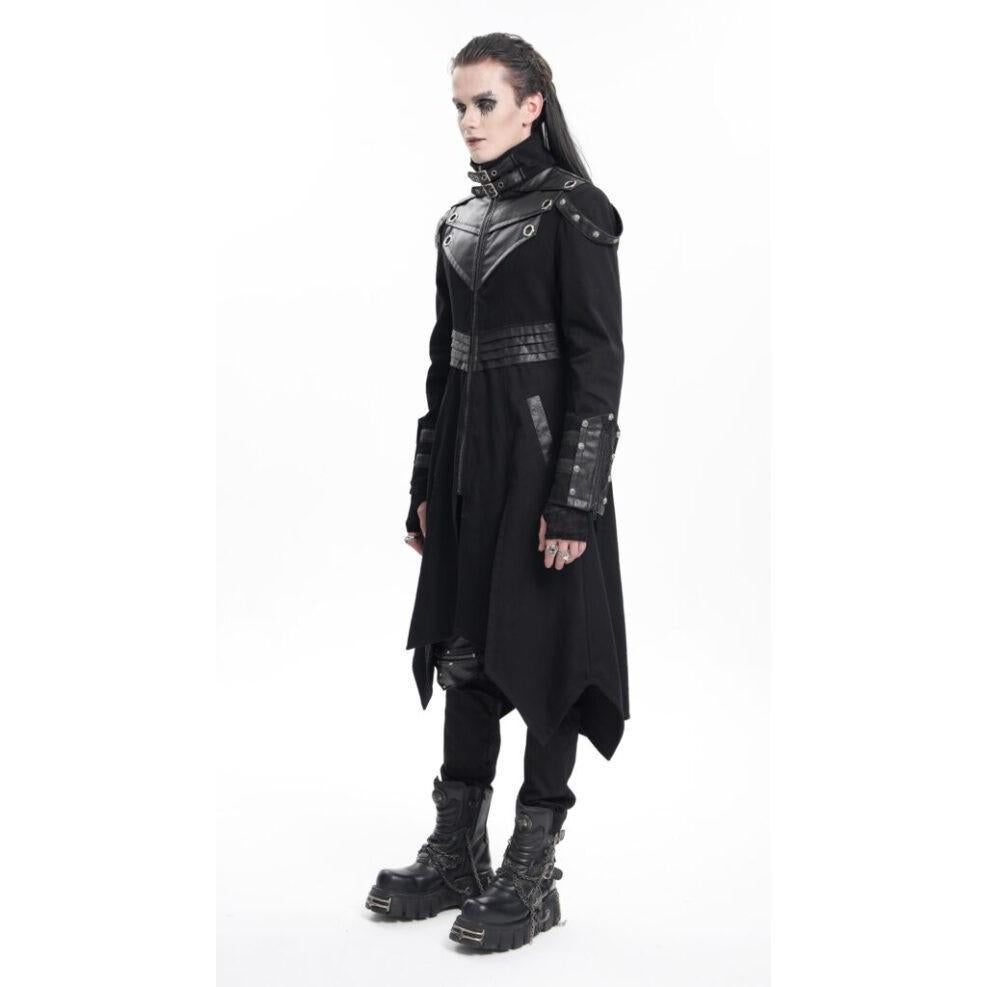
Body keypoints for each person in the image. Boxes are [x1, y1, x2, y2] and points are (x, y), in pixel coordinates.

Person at [365, 32, 629, 952]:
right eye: (459, 106)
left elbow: (598, 364)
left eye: (485, 103)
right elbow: (442, 366)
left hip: (541, 471)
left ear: (530, 106)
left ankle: (531, 867)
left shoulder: (575, 212)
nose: (469, 121)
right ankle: (457, 851)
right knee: (466, 654)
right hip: (467, 472)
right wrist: (423, 483)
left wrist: (574, 498)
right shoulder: (458, 222)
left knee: (549, 659)